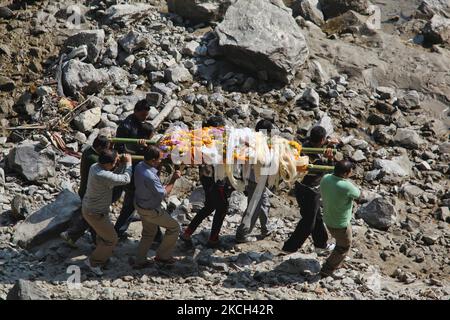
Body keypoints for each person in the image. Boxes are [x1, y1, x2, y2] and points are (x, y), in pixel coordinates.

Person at [282, 126, 340, 254]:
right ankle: (289, 248)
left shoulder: (306, 145)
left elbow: (321, 143)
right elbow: (327, 171)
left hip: (302, 188)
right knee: (308, 222)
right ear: (321, 140)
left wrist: (329, 142)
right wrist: (330, 159)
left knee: (316, 217)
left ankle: (321, 244)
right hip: (309, 190)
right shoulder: (312, 156)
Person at [180, 116, 232, 248]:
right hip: (216, 179)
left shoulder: (201, 139)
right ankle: (213, 239)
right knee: (222, 208)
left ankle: (187, 233)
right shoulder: (212, 141)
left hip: (206, 178)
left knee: (209, 207)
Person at [82, 150, 133, 276]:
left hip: (91, 209)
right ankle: (93, 263)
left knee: (103, 237)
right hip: (95, 213)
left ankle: (103, 257)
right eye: (114, 162)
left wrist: (120, 164)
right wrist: (129, 164)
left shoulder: (95, 167)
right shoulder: (102, 175)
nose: (116, 164)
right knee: (111, 239)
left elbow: (112, 174)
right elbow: (125, 179)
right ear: (108, 164)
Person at [130, 146, 182, 268]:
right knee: (174, 228)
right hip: (151, 210)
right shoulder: (151, 176)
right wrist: (173, 179)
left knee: (148, 233)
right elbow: (163, 193)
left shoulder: (139, 166)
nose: (161, 161)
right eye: (159, 159)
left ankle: (140, 260)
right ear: (153, 160)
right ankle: (163, 256)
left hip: (140, 205)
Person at [113, 100, 158, 240]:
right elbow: (122, 148)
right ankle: (117, 231)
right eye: (143, 115)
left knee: (132, 202)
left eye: (146, 115)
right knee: (135, 202)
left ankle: (118, 231)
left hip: (136, 168)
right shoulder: (126, 126)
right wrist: (140, 148)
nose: (145, 118)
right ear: (136, 111)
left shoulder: (138, 123)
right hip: (130, 169)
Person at [60, 136, 112, 248]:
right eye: (106, 148)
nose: (107, 150)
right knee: (91, 217)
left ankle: (76, 237)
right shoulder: (94, 159)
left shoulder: (88, 150)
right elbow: (107, 169)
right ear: (99, 147)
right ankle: (72, 235)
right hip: (90, 192)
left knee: (88, 217)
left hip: (85, 188)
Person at [319, 159, 360, 278]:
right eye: (350, 171)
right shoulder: (346, 186)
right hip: (341, 224)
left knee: (339, 242)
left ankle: (337, 262)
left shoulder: (326, 178)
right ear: (345, 173)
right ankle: (328, 269)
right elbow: (358, 194)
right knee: (344, 246)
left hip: (328, 219)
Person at [235, 119, 274, 243]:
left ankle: (265, 228)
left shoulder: (251, 141)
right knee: (253, 208)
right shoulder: (256, 144)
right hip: (255, 181)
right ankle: (242, 234)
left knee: (263, 202)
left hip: (254, 180)